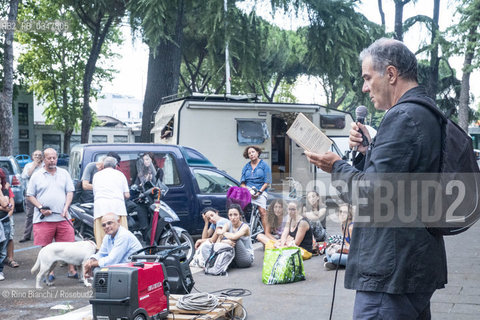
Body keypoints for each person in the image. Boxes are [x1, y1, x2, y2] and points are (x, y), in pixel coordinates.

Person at [305, 38, 447, 319]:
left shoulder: (401, 118)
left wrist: (336, 167)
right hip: (414, 264)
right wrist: (367, 151)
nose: (364, 87)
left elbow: (371, 195)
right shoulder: (426, 113)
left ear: (391, 74)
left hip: (391, 272)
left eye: (368, 78)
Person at [26, 148, 77, 280]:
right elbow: (30, 195)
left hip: (63, 217)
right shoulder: (37, 175)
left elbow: (70, 191)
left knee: (69, 246)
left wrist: (66, 207)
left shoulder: (64, 173)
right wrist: (41, 207)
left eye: (54, 158)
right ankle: (49, 272)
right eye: (49, 158)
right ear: (44, 159)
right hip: (44, 219)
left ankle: (72, 270)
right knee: (47, 248)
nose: (52, 160)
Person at [83, 212, 142, 278]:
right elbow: (102, 254)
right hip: (124, 269)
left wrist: (91, 264)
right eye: (104, 225)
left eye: (109, 223)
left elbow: (112, 260)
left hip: (136, 270)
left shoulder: (123, 235)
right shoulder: (107, 236)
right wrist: (91, 260)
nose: (107, 227)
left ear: (118, 222)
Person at [92, 156, 130, 248]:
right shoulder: (120, 175)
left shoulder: (97, 175)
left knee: (102, 242)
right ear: (116, 166)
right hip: (118, 210)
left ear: (104, 165)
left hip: (101, 210)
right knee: (121, 240)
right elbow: (127, 195)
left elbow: (95, 193)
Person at [205, 204, 254, 268]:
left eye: (235, 215)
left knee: (236, 239)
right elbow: (218, 242)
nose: (233, 218)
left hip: (246, 259)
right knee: (223, 241)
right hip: (234, 257)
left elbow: (234, 237)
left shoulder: (245, 227)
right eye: (230, 215)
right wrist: (224, 241)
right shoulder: (227, 224)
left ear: (240, 215)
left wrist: (223, 233)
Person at [240, 145, 272, 231]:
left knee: (262, 212)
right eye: (249, 153)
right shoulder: (246, 167)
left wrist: (259, 192)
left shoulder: (265, 165)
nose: (251, 154)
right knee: (240, 210)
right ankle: (245, 229)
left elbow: (267, 182)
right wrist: (248, 191)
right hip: (248, 191)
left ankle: (267, 234)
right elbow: (242, 183)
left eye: (253, 152)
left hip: (261, 191)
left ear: (258, 152)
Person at [19, 150, 43, 243]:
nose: (37, 157)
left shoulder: (44, 167)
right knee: (30, 215)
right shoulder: (28, 166)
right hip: (31, 195)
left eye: (39, 155)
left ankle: (41, 235)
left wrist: (40, 166)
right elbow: (25, 176)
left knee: (42, 215)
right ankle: (26, 235)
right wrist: (34, 165)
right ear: (32, 156)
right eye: (35, 155)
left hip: (42, 194)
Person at [324, 204, 353, 270]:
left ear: (349, 215)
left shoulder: (351, 227)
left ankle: (334, 262)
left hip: (355, 256)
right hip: (347, 252)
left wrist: (341, 250)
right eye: (340, 212)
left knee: (334, 257)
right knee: (327, 249)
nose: (342, 214)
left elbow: (354, 248)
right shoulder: (343, 226)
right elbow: (346, 244)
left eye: (345, 212)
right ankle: (336, 263)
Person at [0, 168, 15, 280]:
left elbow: (9, 205)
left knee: (3, 247)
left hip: (4, 221)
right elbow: (6, 205)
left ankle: (0, 270)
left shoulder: (6, 189)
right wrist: (5, 207)